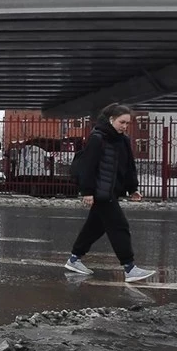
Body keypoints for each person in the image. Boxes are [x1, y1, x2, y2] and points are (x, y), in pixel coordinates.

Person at [63, 103, 156, 283]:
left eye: (127, 123)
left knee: (95, 227)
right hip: (101, 192)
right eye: (122, 122)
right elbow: (88, 167)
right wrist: (87, 191)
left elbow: (129, 167)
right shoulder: (98, 138)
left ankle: (74, 259)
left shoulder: (123, 140)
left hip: (112, 191)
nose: (124, 126)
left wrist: (133, 188)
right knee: (120, 226)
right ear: (111, 119)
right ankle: (129, 268)